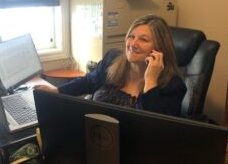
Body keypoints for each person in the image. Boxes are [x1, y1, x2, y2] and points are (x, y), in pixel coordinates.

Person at [35, 14, 187, 117]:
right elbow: (88, 82)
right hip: (95, 135)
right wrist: (57, 90)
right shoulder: (112, 59)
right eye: (131, 36)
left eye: (143, 39)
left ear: (159, 48)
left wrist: (151, 82)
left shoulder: (173, 86)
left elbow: (155, 129)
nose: (133, 44)